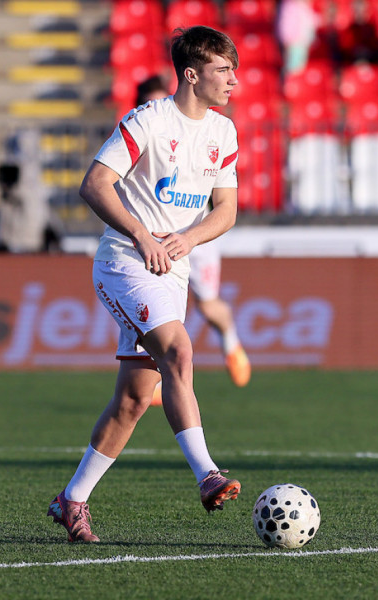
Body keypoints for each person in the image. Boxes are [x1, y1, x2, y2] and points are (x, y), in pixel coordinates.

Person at [46, 26, 242, 543]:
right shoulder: (149, 120)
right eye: (224, 70)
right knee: (179, 350)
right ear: (192, 74)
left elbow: (227, 210)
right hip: (124, 262)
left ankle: (72, 500)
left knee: (134, 400)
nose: (234, 81)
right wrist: (140, 234)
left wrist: (187, 238)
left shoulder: (223, 133)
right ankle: (208, 475)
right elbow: (94, 183)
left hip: (171, 272)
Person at [134, 76, 252, 404]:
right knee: (157, 308)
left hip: (196, 238)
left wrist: (192, 236)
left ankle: (231, 341)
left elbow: (224, 201)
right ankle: (159, 377)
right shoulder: (140, 132)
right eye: (148, 104)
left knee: (208, 305)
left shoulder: (199, 131)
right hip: (156, 238)